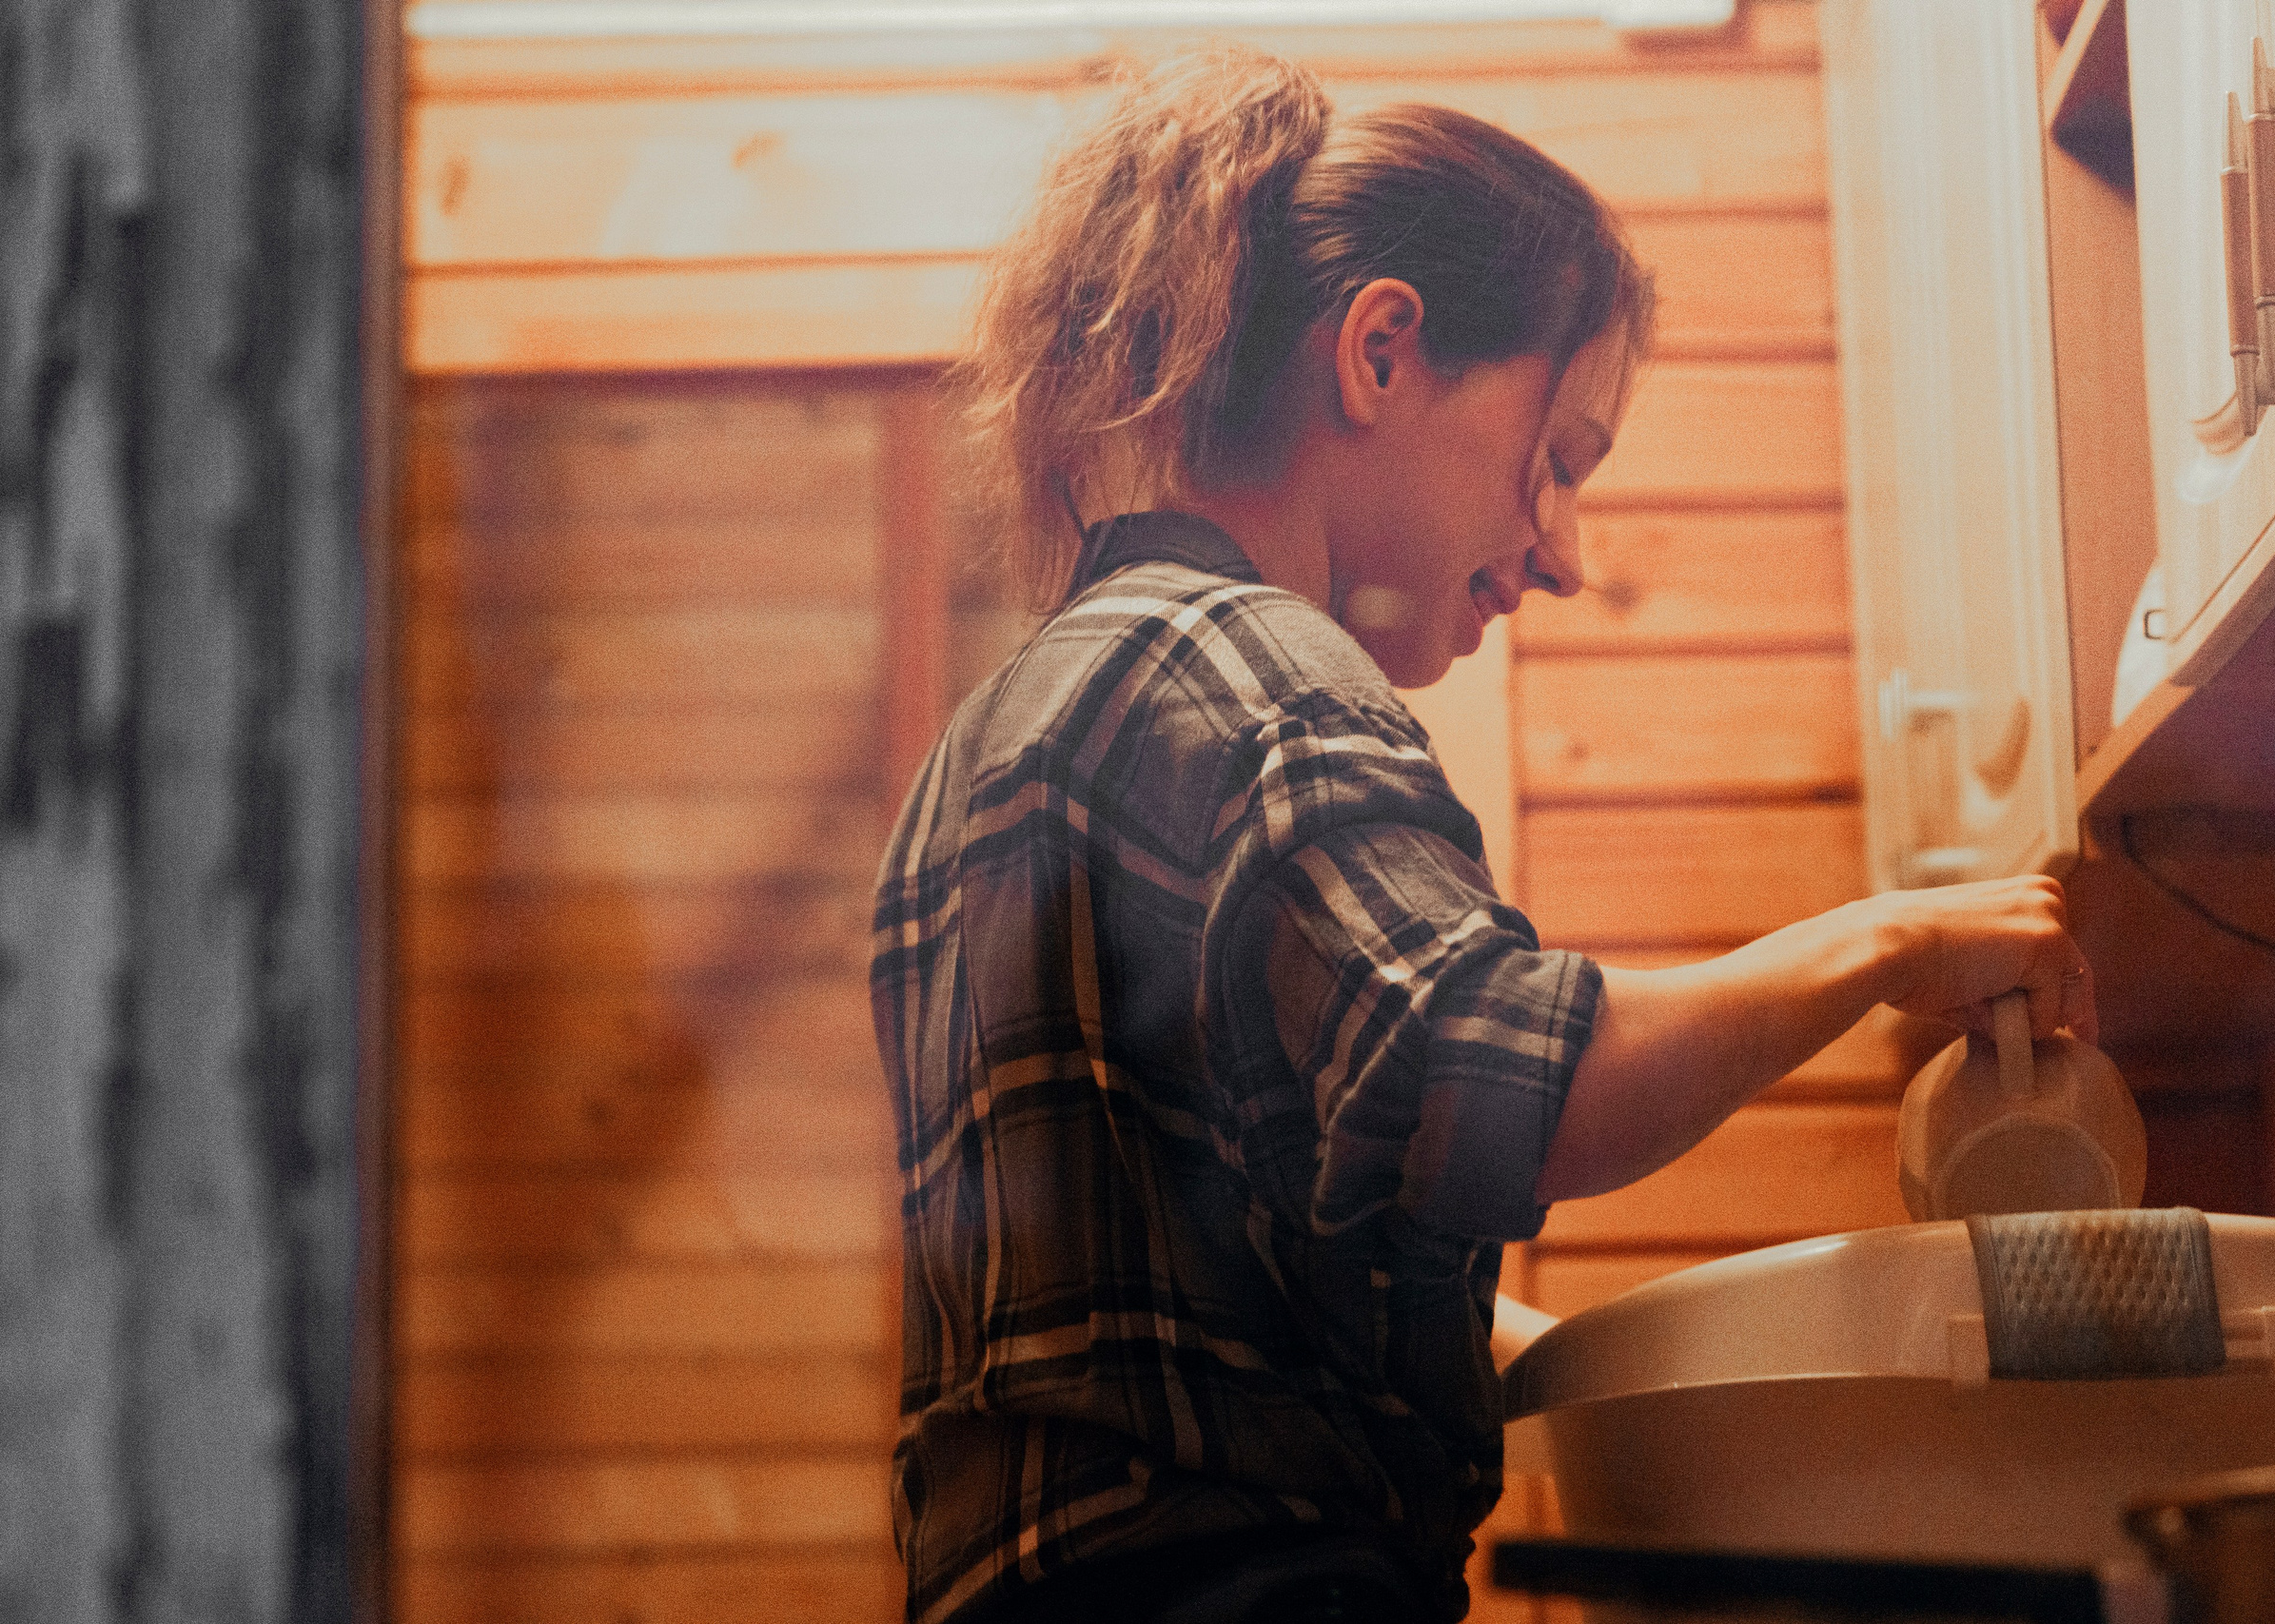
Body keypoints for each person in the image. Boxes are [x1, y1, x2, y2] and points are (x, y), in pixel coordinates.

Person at [870, 45, 2094, 1624]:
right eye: (1561, 459)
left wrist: (1545, 1354)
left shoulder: (994, 737)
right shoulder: (1248, 668)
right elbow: (1495, 1080)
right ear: (1383, 353)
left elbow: (1187, 1276)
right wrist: (1889, 940)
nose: (1565, 554)